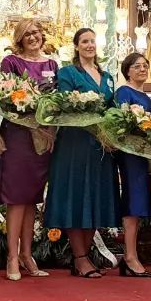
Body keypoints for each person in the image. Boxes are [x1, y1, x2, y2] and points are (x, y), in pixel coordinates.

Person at [46, 28, 119, 278]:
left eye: (92, 41)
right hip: (74, 144)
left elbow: (113, 109)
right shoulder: (67, 72)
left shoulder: (107, 76)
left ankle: (84, 256)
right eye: (84, 41)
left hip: (101, 146)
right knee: (76, 196)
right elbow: (65, 103)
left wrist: (112, 131)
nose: (90, 45)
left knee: (95, 197)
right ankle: (80, 257)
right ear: (76, 46)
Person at [0, 18, 57, 280]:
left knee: (32, 198)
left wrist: (49, 128)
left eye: (37, 32)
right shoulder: (11, 62)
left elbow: (55, 99)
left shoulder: (52, 63)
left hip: (43, 136)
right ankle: (11, 256)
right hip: (18, 135)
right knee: (17, 197)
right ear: (19, 38)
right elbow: (6, 99)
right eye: (27, 33)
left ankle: (27, 255)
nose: (33, 37)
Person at [114, 52, 151, 278]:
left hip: (143, 153)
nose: (142, 69)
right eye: (137, 66)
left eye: (145, 65)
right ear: (127, 70)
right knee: (133, 200)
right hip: (129, 153)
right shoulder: (124, 92)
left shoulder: (145, 95)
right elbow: (120, 122)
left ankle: (131, 255)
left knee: (139, 202)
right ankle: (130, 256)